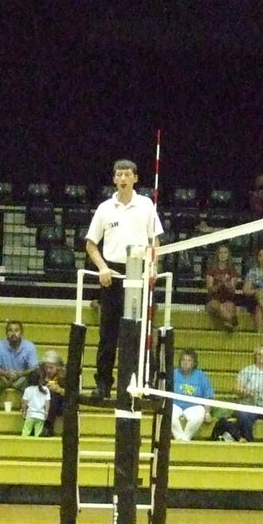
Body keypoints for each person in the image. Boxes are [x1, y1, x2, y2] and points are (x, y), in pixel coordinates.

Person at [84, 159, 163, 399]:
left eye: (127, 174)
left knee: (141, 333)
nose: (123, 178)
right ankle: (103, 385)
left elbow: (154, 241)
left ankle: (141, 384)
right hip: (113, 275)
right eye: (119, 174)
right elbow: (90, 244)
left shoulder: (147, 205)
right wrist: (102, 268)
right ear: (114, 179)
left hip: (138, 273)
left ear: (135, 178)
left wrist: (153, 266)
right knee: (108, 334)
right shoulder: (105, 208)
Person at [0, 319, 38, 410]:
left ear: (21, 333)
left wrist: (20, 374)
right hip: (4, 378)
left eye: (16, 330)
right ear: (6, 333)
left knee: (34, 377)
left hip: (21, 379)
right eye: (10, 330)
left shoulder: (29, 347)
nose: (13, 333)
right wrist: (6, 374)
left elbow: (34, 368)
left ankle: (30, 411)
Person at [171, 349, 215, 441]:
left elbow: (208, 395)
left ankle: (185, 438)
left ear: (194, 363)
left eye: (189, 360)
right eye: (183, 360)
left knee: (199, 413)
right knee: (169, 413)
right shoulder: (173, 374)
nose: (185, 363)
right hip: (175, 404)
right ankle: (180, 438)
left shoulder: (201, 375)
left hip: (194, 406)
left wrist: (207, 412)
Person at [204, 243, 241, 331]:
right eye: (220, 253)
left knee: (230, 306)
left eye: (225, 252)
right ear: (217, 255)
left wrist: (227, 284)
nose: (222, 255)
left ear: (228, 255)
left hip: (227, 300)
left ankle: (228, 322)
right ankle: (232, 320)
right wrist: (220, 283)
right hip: (213, 300)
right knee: (215, 305)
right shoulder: (211, 270)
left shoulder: (232, 271)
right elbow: (210, 290)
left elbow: (232, 290)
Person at [39, 350, 67, 437]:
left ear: (58, 367)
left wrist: (59, 390)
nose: (48, 370)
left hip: (59, 404)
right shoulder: (40, 376)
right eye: (46, 367)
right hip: (41, 403)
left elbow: (72, 395)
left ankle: (48, 426)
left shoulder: (64, 377)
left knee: (52, 395)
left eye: (51, 368)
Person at [20, 367, 50, 437]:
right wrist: (46, 412)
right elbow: (47, 402)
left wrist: (24, 411)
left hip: (30, 414)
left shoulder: (28, 390)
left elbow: (24, 402)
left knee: (26, 431)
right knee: (38, 433)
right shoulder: (46, 390)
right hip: (40, 415)